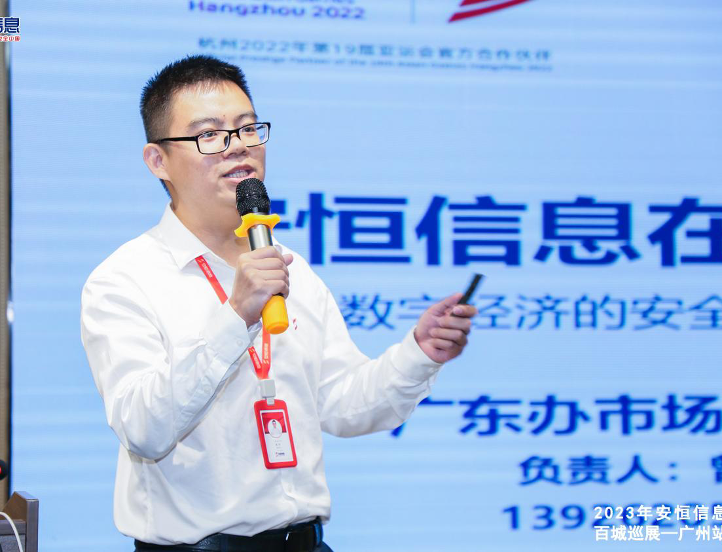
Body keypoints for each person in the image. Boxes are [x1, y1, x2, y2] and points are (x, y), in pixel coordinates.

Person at [80, 55, 476, 552]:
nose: (239, 147)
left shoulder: (291, 268)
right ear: (158, 161)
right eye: (210, 135)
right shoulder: (125, 279)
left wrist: (419, 353)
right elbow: (144, 428)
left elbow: (344, 404)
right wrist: (235, 317)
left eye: (248, 129)